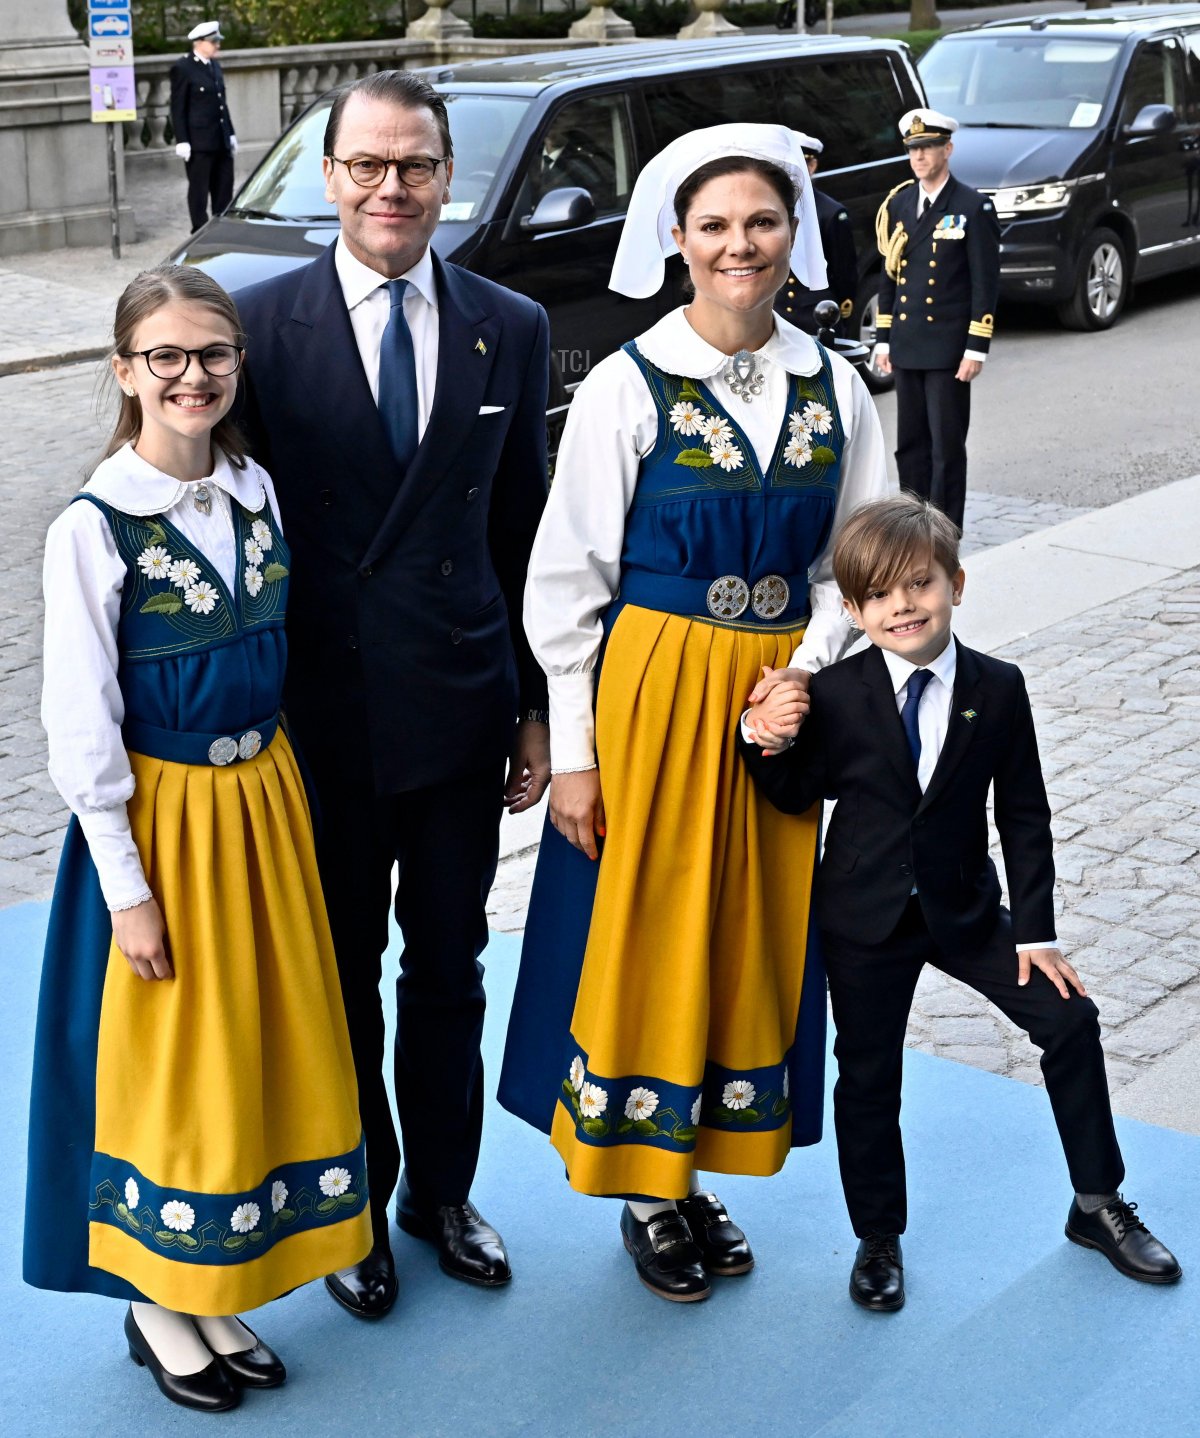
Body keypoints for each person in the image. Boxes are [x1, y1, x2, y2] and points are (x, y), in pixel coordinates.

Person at [499, 124, 891, 1304]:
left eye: (760, 223)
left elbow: (858, 559)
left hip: (778, 701)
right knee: (653, 926)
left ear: (792, 236)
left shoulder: (835, 381)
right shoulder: (630, 382)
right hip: (656, 694)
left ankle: (697, 1162)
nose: (739, 245)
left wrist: (809, 667)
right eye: (713, 225)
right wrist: (576, 755)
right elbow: (564, 586)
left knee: (748, 933)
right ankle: (650, 1188)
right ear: (675, 240)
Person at [23, 265, 372, 1413]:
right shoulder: (94, 524)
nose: (193, 375)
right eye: (165, 356)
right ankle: (155, 1295)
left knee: (248, 1047)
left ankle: (211, 1277)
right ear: (125, 371)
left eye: (213, 353)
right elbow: (79, 722)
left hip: (263, 802)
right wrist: (127, 887)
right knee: (174, 1061)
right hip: (165, 818)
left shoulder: (254, 488)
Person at [234, 70, 551, 1320]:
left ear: (445, 176)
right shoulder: (255, 328)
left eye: (414, 166)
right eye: (366, 165)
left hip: (462, 702)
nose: (390, 188)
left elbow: (519, 529)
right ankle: (358, 1202)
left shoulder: (506, 323)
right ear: (328, 179)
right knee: (343, 967)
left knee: (452, 964)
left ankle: (443, 1194)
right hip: (322, 716)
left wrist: (536, 708)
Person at [741, 494, 1181, 1311]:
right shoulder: (835, 693)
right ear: (852, 610)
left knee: (1069, 1021)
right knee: (867, 1078)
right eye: (877, 596)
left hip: (968, 910)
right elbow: (797, 791)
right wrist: (762, 740)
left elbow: (1024, 813)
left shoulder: (998, 688)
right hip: (864, 917)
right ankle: (878, 1237)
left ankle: (1097, 1205)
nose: (901, 606)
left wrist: (1037, 931)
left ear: (956, 583)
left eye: (918, 585)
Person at [874, 108, 1000, 530]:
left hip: (948, 348)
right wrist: (884, 337)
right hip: (908, 344)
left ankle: (945, 528)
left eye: (927, 147)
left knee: (946, 445)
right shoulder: (900, 203)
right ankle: (913, 524)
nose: (919, 156)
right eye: (913, 149)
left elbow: (985, 282)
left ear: (947, 149)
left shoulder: (971, 206)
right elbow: (890, 274)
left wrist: (976, 346)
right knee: (910, 444)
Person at [775, 131, 858, 335]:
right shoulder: (769, 207)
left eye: (798, 165)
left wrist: (839, 314)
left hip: (816, 313)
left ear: (811, 166)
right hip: (775, 310)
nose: (790, 172)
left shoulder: (830, 213)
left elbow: (844, 274)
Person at [170, 20, 237, 233]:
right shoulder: (183, 68)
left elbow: (221, 105)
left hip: (220, 138)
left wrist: (231, 133)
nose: (217, 45)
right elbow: (178, 107)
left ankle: (221, 227)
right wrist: (182, 140)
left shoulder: (214, 66)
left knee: (224, 186)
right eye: (213, 41)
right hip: (198, 142)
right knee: (199, 190)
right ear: (199, 42)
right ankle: (199, 230)